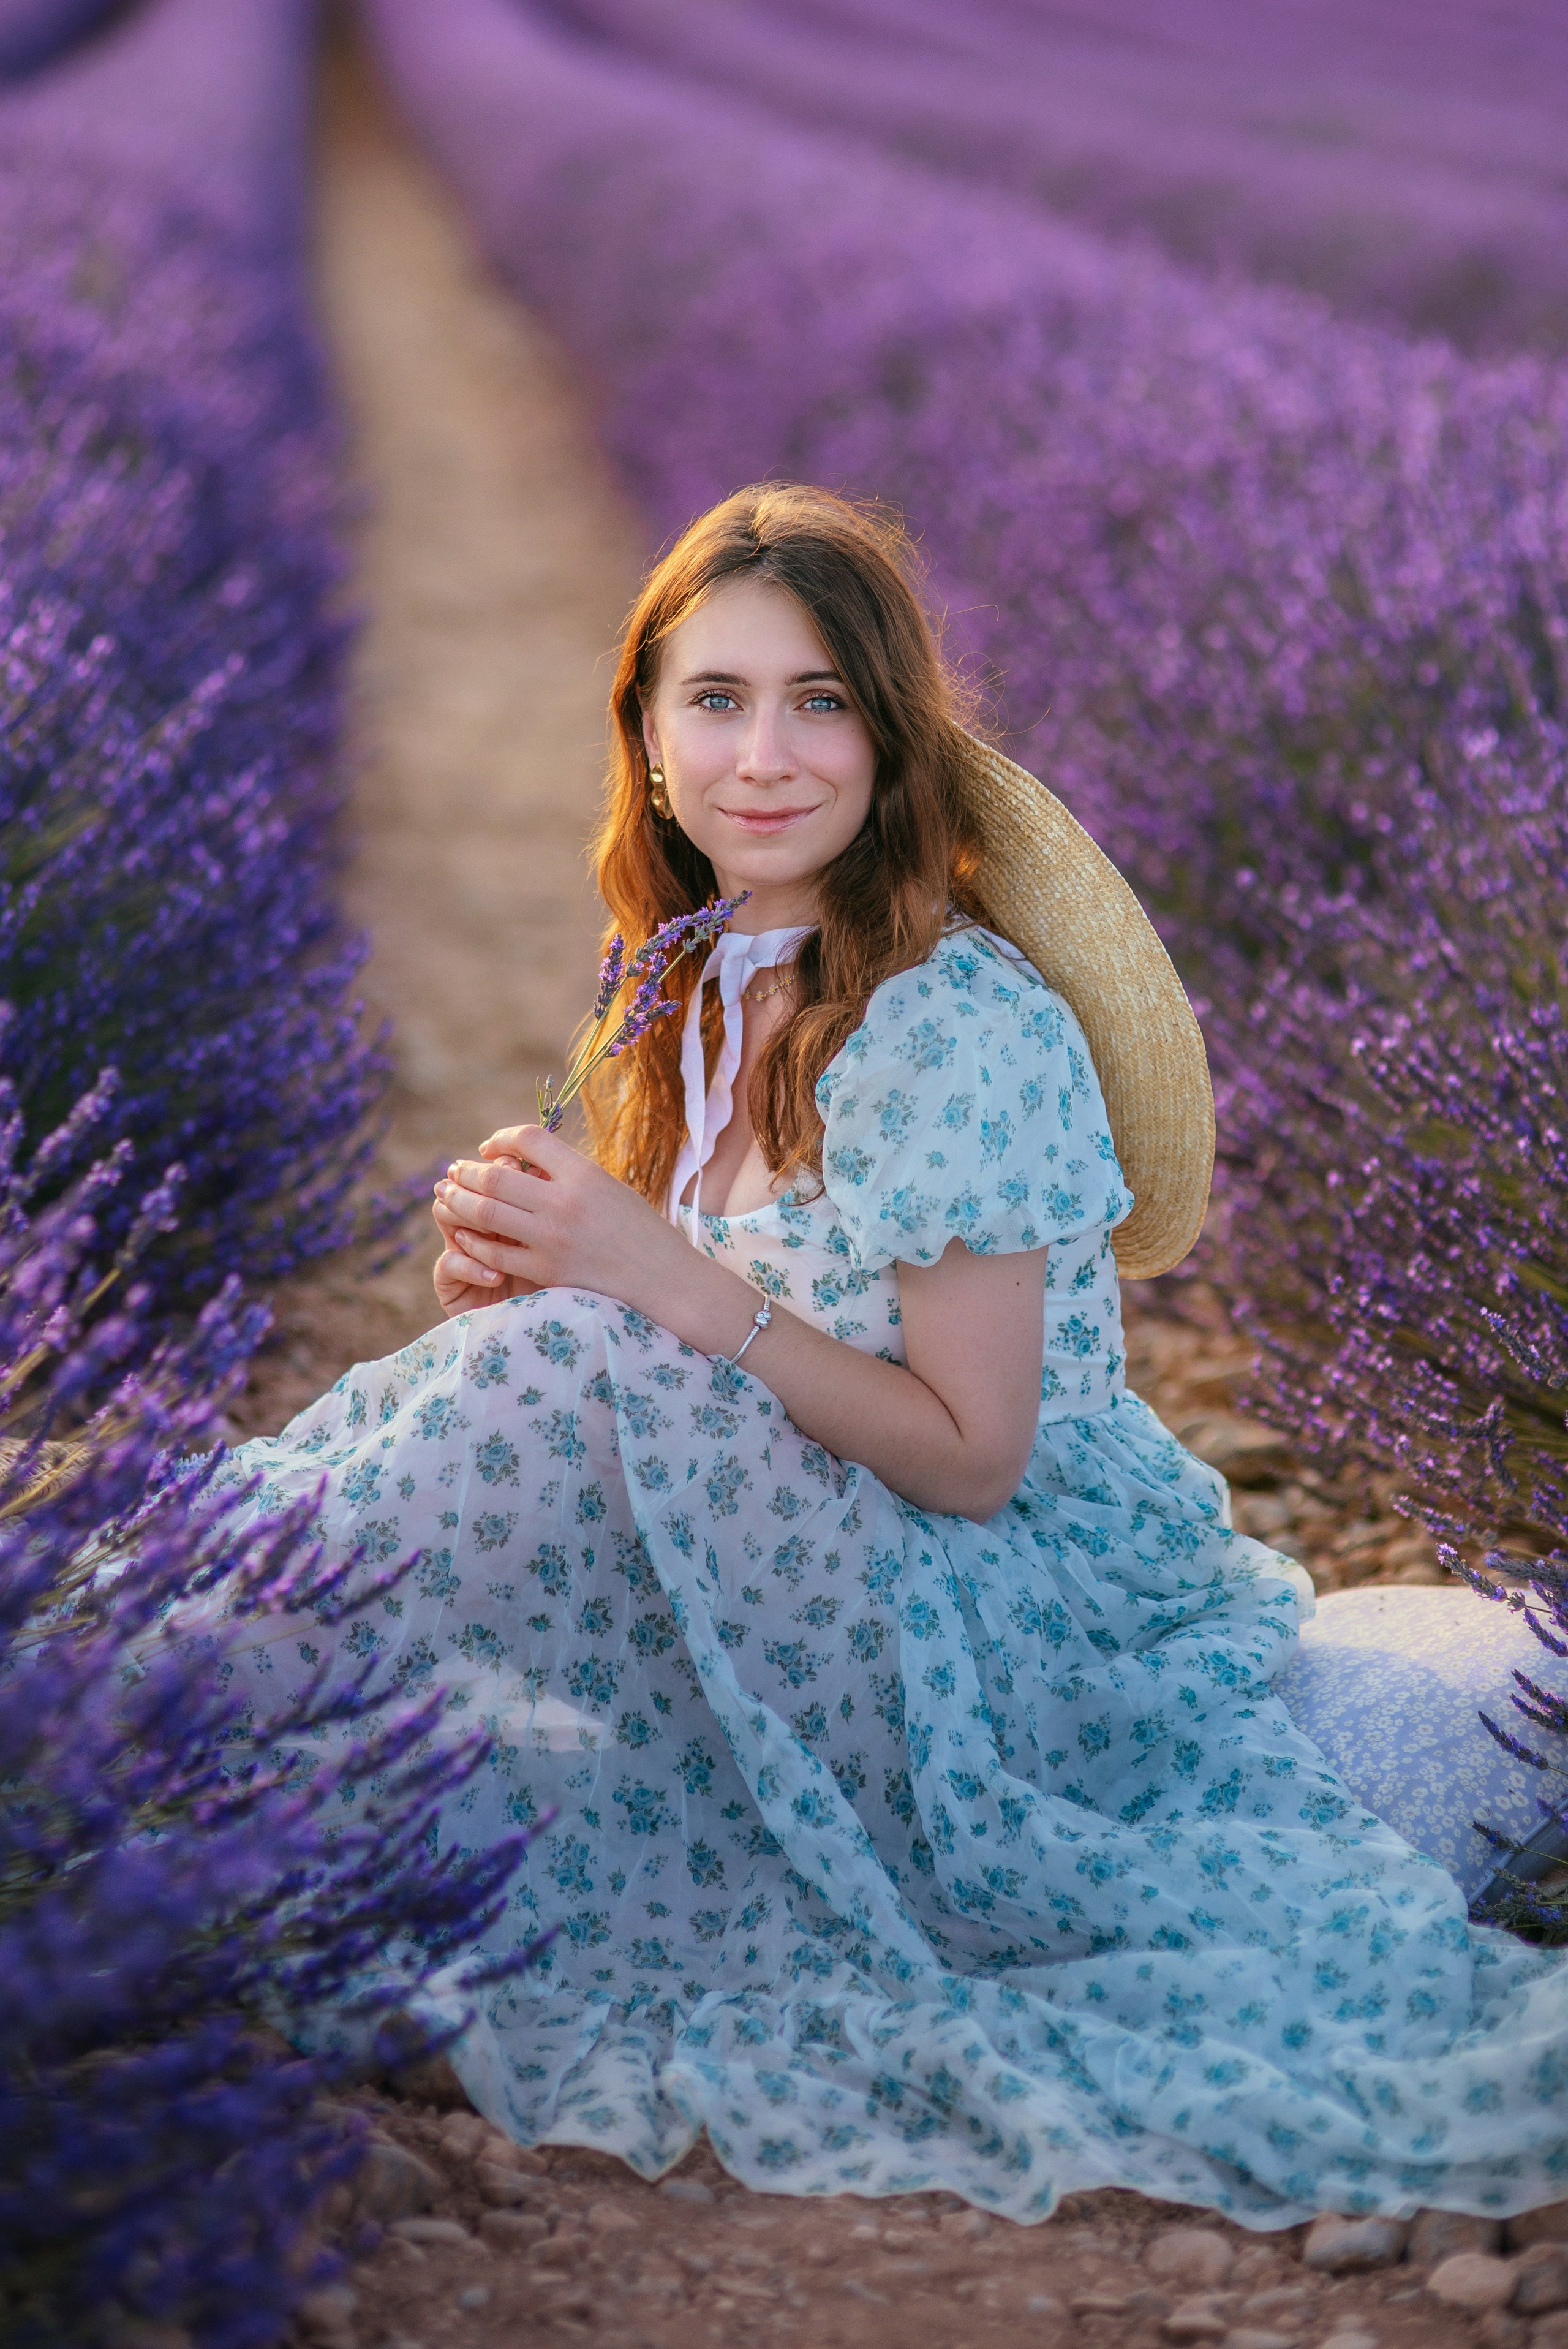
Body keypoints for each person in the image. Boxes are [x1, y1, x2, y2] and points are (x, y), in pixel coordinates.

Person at [212, 484, 1568, 2224]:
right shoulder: (684, 984)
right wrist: (543, 1279)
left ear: (890, 736)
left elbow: (973, 1454)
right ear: (643, 733)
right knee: (512, 1396)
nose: (763, 754)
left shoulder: (957, 1022)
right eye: (714, 699)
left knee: (537, 1396)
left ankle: (172, 1777)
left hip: (987, 1618)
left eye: (819, 701)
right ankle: (177, 1724)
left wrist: (640, 1282)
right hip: (795, 1562)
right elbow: (678, 1365)